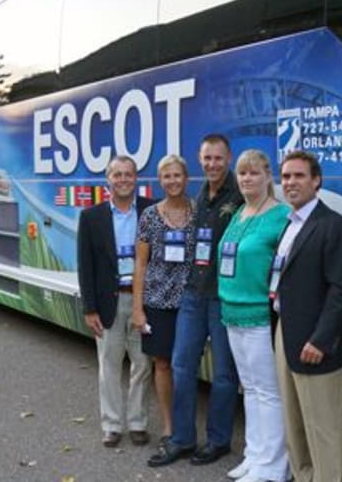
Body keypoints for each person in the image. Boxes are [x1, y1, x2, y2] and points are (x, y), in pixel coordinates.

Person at [148, 134, 243, 467]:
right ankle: (183, 439)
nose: (212, 164)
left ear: (228, 158)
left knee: (224, 373)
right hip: (193, 293)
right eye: (207, 158)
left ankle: (218, 441)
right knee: (181, 365)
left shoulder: (240, 193)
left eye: (218, 158)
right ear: (200, 160)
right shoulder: (201, 194)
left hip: (222, 296)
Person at [272, 150, 342, 482]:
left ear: (316, 180)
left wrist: (321, 340)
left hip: (314, 340)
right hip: (285, 330)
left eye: (299, 176)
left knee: (323, 431)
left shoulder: (333, 225)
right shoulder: (290, 224)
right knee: (294, 425)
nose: (290, 182)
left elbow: (341, 290)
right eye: (286, 176)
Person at [217, 150, 292, 482]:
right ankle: (255, 455)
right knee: (249, 388)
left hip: (259, 315)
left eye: (253, 173)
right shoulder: (239, 213)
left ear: (267, 176)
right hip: (231, 312)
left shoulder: (280, 216)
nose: (246, 178)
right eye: (242, 173)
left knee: (268, 391)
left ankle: (274, 465)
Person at [77, 155, 155, 448]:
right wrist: (89, 308)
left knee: (142, 364)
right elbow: (85, 266)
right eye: (117, 174)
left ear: (136, 178)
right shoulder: (91, 217)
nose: (123, 179)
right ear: (107, 180)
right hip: (108, 302)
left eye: (128, 174)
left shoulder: (151, 210)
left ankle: (137, 423)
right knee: (109, 366)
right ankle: (111, 425)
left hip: (142, 301)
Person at [132, 154, 195, 446]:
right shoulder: (149, 216)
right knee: (163, 364)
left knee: (186, 367)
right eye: (167, 176)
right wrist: (138, 309)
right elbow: (141, 263)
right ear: (160, 180)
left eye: (177, 175)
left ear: (186, 178)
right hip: (157, 301)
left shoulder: (198, 211)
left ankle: (186, 427)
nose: (172, 181)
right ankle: (169, 426)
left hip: (192, 301)